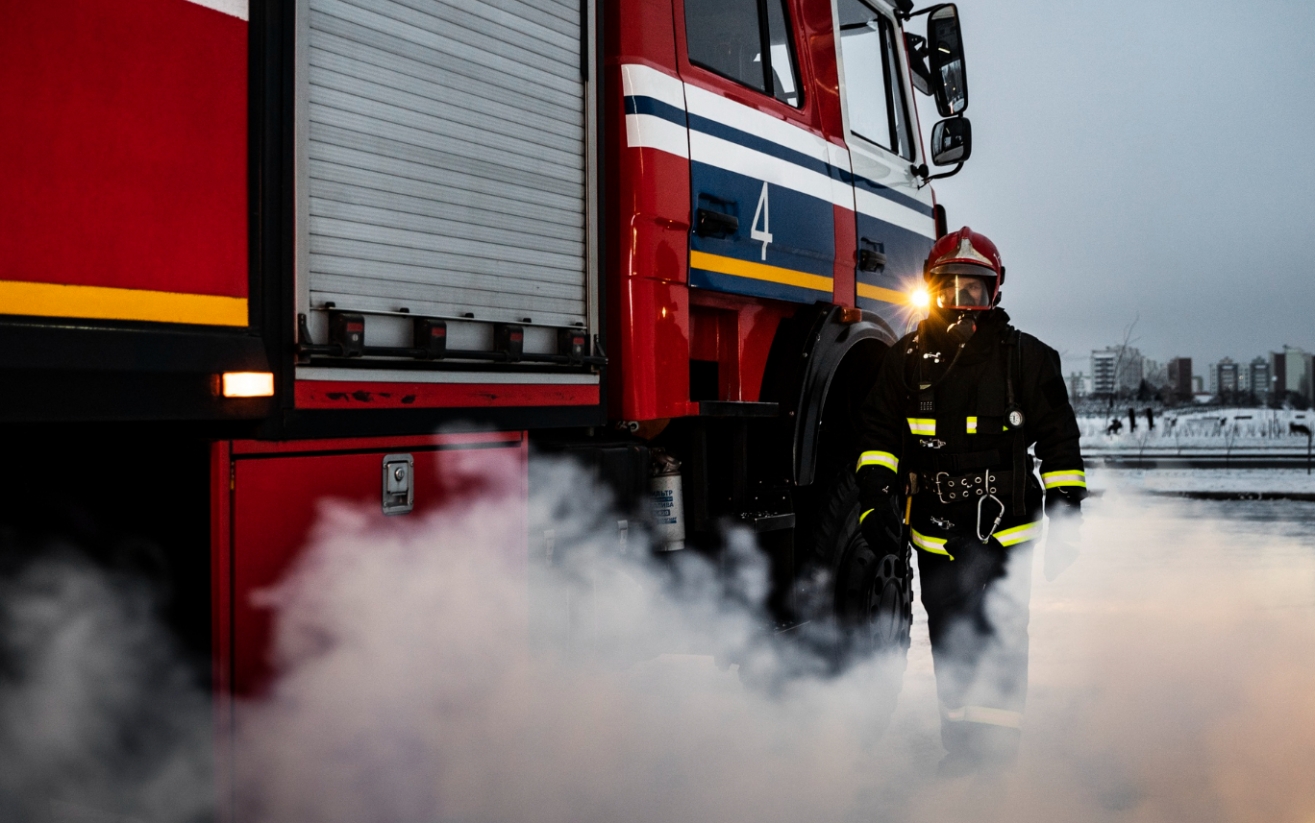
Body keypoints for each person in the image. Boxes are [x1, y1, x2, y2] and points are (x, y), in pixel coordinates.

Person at [854, 227, 1086, 776]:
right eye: (950, 289)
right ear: (931, 291)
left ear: (995, 293)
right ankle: (961, 747)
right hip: (934, 531)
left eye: (974, 291)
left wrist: (1068, 510)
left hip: (1007, 531)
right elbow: (878, 435)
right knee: (951, 635)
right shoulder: (905, 360)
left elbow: (1060, 439)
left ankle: (996, 758)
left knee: (1002, 634)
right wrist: (873, 500)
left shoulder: (1029, 359)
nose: (962, 302)